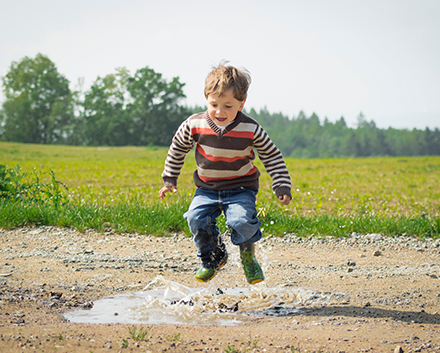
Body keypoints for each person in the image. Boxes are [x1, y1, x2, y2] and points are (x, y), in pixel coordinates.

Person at [159, 61, 292, 284]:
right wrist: (169, 178)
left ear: (241, 103)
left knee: (241, 222)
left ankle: (248, 256)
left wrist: (281, 184)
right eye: (214, 104)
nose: (220, 112)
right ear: (207, 100)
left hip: (241, 188)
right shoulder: (194, 124)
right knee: (196, 218)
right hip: (207, 188)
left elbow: (271, 156)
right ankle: (213, 258)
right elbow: (178, 148)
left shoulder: (251, 129)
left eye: (228, 106)